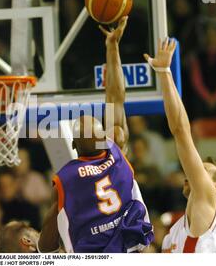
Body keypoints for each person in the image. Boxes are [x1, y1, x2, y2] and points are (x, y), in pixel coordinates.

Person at [38, 17, 153, 253]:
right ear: (104, 137)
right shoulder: (116, 148)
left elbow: (46, 245)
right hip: (132, 251)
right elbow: (116, 96)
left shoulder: (64, 179)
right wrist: (112, 47)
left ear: (73, 144)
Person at [144, 38, 216, 253]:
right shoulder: (179, 228)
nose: (192, 171)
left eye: (203, 170)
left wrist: (165, 72)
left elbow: (181, 131)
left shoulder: (207, 197)